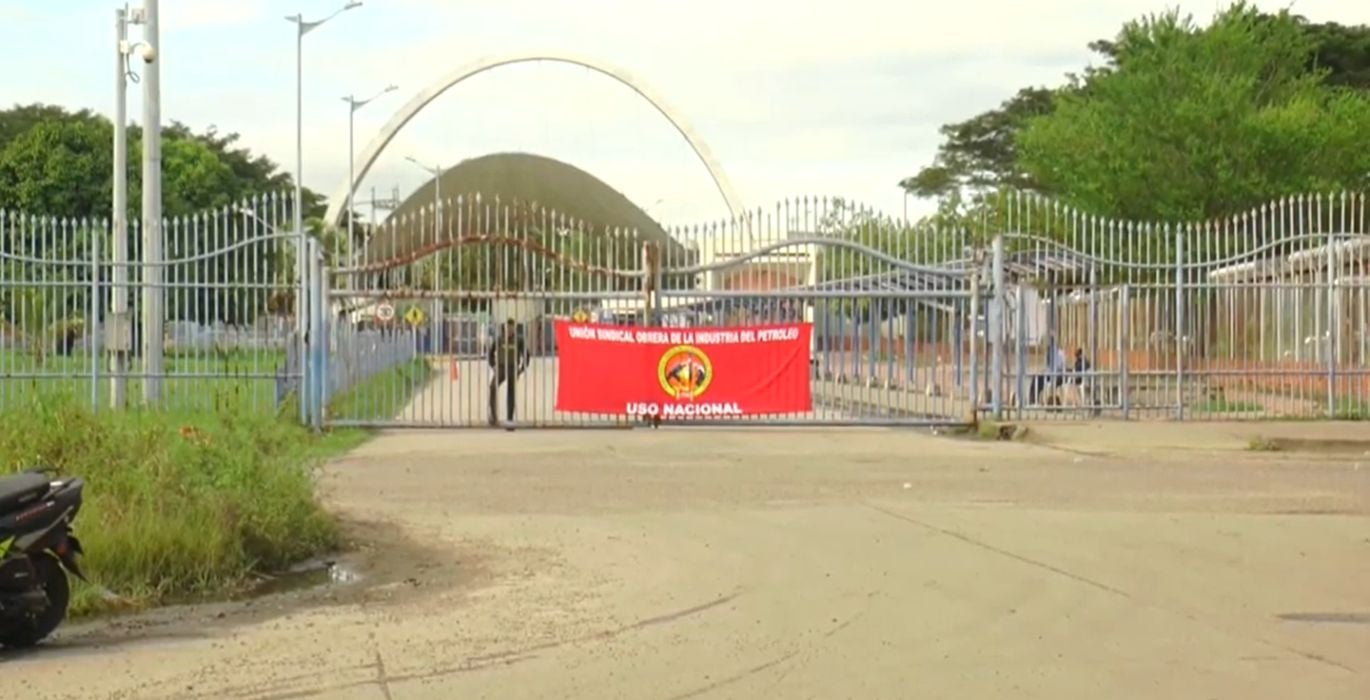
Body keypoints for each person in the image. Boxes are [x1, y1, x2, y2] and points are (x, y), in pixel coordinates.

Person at [487, 318, 528, 429]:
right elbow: (490, 352)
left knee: (511, 393)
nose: (509, 330)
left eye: (511, 327)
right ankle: (494, 417)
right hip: (501, 367)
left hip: (512, 368)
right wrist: (493, 365)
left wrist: (521, 369)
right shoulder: (499, 339)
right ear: (504, 327)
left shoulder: (519, 340)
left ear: (514, 328)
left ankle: (509, 420)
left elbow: (526, 355)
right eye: (507, 327)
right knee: (492, 387)